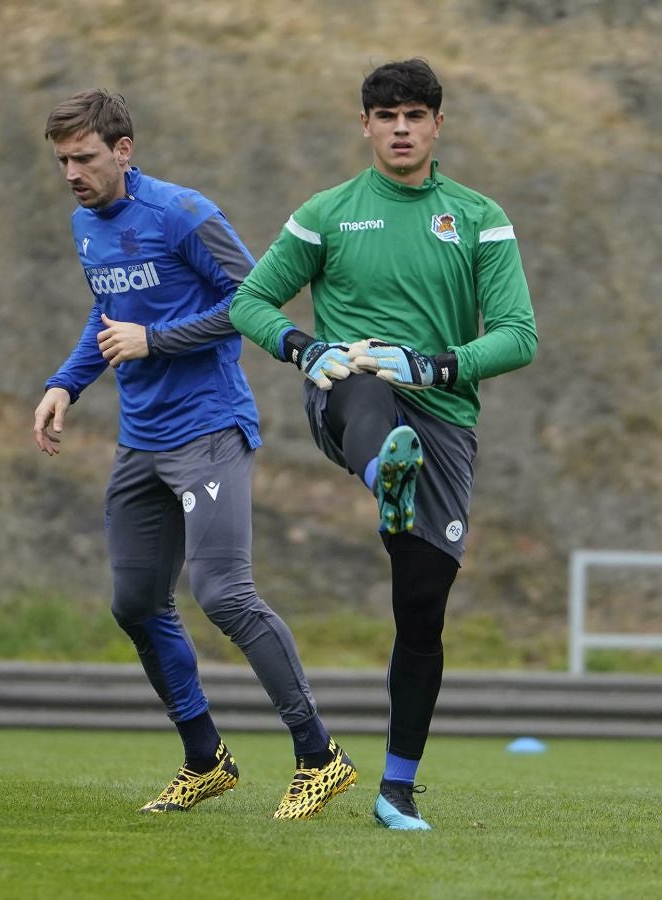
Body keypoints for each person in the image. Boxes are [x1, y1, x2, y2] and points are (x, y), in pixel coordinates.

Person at [230, 59, 538, 831]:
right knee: (365, 379)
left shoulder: (478, 217)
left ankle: (396, 790)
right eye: (386, 115)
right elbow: (250, 301)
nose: (400, 127)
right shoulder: (327, 213)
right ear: (364, 126)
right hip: (350, 393)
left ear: (438, 125)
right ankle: (383, 474)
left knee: (422, 610)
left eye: (415, 114)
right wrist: (306, 349)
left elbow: (519, 336)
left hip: (444, 419)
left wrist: (439, 363)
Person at [31, 90, 354, 820]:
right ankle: (205, 758)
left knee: (224, 595)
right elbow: (107, 316)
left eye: (84, 158)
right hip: (140, 439)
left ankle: (319, 755)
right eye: (61, 161)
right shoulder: (86, 224)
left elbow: (251, 299)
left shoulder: (181, 213)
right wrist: (66, 383)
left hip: (208, 430)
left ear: (123, 149)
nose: (72, 173)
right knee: (136, 604)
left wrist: (157, 340)